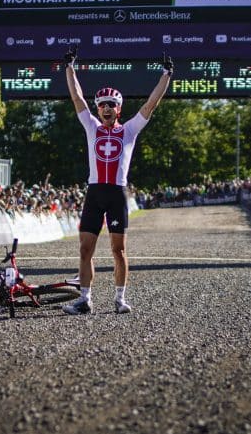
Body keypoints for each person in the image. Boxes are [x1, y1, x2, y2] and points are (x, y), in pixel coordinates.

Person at [61, 49, 172, 315]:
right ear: (98, 108)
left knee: (118, 250)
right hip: (95, 192)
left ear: (119, 109)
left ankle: (120, 299)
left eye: (112, 104)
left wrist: (166, 74)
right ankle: (84, 299)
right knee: (85, 248)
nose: (107, 108)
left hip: (116, 194)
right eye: (102, 104)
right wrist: (69, 68)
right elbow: (76, 97)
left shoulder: (130, 129)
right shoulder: (91, 126)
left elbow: (151, 104)